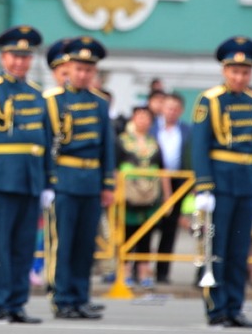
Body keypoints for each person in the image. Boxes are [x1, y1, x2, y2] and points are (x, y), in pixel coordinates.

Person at [0, 25, 52, 324]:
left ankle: (17, 302)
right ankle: (0, 301)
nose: (20, 62)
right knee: (0, 244)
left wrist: (47, 182)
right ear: (4, 57)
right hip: (2, 180)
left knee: (24, 245)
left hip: (30, 181)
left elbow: (44, 142)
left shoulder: (37, 94)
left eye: (25, 57)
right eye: (14, 56)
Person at [191, 36, 252, 328]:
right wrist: (204, 186)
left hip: (245, 185)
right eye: (234, 71)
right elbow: (199, 146)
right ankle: (216, 307)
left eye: (245, 72)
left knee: (238, 251)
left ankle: (235, 306)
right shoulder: (209, 101)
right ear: (225, 71)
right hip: (220, 185)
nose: (239, 77)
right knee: (216, 249)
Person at [45, 36, 113, 318]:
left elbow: (107, 146)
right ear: (68, 68)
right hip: (65, 179)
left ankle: (81, 296)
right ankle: (62, 299)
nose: (83, 74)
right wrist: (49, 181)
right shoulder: (53, 101)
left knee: (86, 244)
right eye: (78, 69)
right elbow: (47, 145)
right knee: (65, 242)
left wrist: (107, 184)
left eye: (88, 70)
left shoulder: (100, 103)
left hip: (91, 181)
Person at [117, 104, 166, 288]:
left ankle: (144, 272)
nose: (143, 120)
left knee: (146, 233)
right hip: (129, 195)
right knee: (126, 233)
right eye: (139, 116)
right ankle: (125, 272)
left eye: (147, 117)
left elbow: (163, 170)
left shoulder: (154, 142)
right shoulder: (122, 141)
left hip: (150, 195)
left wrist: (167, 197)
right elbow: (115, 167)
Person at [152, 92, 190, 284]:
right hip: (151, 182)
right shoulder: (151, 128)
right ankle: (138, 269)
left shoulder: (186, 130)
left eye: (175, 109)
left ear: (181, 111)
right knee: (146, 226)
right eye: (168, 107)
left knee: (170, 228)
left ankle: (162, 271)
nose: (172, 112)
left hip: (178, 181)